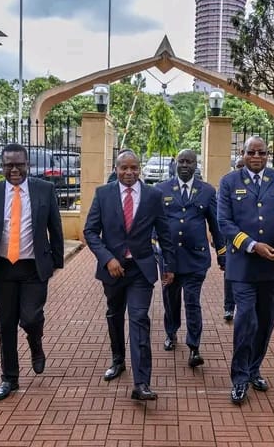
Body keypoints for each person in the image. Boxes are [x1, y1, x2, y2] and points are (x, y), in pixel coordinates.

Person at [0, 143, 64, 401]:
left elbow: (55, 228)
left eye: (19, 164)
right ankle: (9, 378)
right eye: (9, 164)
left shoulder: (45, 190)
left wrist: (56, 262)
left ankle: (35, 343)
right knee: (6, 324)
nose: (14, 169)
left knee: (30, 318)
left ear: (27, 165)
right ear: (2, 166)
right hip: (2, 269)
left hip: (33, 268)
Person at [83, 150, 175, 401]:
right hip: (112, 269)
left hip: (140, 269)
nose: (129, 172)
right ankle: (118, 360)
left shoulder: (153, 196)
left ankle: (142, 382)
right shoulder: (103, 194)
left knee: (138, 319)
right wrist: (107, 259)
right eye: (124, 168)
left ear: (140, 169)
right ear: (116, 168)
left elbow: (165, 233)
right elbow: (90, 231)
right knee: (114, 315)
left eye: (134, 168)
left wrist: (169, 265)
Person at [217, 136, 274, 405]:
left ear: (268, 155)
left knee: (265, 322)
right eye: (251, 152)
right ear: (243, 153)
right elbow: (224, 223)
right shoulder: (229, 182)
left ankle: (254, 369)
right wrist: (252, 245)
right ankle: (240, 378)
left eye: (261, 152)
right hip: (243, 266)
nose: (256, 157)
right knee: (245, 319)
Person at [155, 149, 225, 367]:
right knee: (171, 299)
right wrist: (156, 251)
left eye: (190, 162)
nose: (185, 165)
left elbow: (216, 225)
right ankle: (171, 332)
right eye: (182, 161)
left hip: (196, 259)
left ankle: (194, 346)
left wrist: (222, 255)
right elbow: (154, 225)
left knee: (192, 302)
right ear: (175, 163)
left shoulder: (206, 191)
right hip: (170, 260)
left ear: (196, 165)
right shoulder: (161, 189)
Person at [223, 156, 245, 322]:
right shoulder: (229, 184)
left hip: (252, 242)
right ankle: (229, 307)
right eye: (238, 166)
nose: (240, 169)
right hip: (232, 241)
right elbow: (222, 217)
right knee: (230, 277)